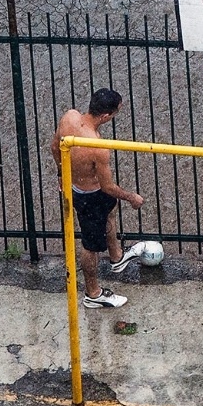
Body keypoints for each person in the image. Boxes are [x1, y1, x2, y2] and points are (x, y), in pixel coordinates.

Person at [51, 88, 147, 308]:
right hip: (90, 196)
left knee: (109, 212)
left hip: (75, 187)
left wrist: (61, 174)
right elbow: (108, 187)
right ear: (105, 116)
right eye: (115, 114)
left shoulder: (70, 116)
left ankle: (117, 257)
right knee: (90, 245)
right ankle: (93, 294)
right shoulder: (97, 147)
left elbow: (54, 146)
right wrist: (131, 197)